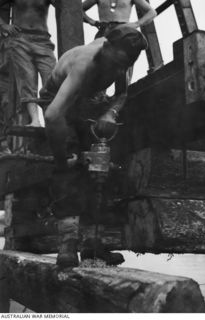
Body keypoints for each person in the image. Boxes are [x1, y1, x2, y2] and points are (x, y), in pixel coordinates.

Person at [40, 25, 148, 267]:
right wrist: (61, 158)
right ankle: (67, 244)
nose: (118, 70)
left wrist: (110, 113)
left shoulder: (121, 58)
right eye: (116, 63)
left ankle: (93, 244)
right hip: (57, 99)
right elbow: (52, 115)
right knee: (69, 166)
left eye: (124, 65)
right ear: (106, 47)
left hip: (88, 100)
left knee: (100, 164)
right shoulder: (84, 63)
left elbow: (121, 94)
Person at [0, 0, 56, 127]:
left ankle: (50, 119)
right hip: (20, 39)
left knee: (52, 80)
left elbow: (65, 6)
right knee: (27, 80)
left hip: (43, 40)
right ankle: (35, 120)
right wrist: (3, 25)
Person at [82, 0, 156, 96]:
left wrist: (136, 24)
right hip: (104, 31)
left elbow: (152, 12)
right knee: (98, 65)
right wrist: (91, 21)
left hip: (124, 31)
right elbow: (79, 9)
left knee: (123, 66)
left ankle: (120, 98)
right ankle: (98, 98)